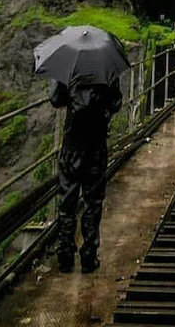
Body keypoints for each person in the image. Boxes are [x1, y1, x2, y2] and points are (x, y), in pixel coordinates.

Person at [49, 77, 122, 273]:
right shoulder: (106, 69)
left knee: (67, 201)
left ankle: (65, 254)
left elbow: (55, 99)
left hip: (72, 145)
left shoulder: (70, 70)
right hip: (96, 145)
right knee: (93, 202)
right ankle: (89, 255)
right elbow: (116, 103)